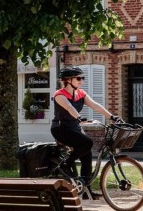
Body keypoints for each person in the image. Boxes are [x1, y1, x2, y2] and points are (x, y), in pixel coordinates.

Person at [51, 66, 118, 195]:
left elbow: (95, 106)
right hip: (61, 129)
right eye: (79, 78)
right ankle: (66, 163)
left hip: (74, 128)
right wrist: (79, 117)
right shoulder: (59, 94)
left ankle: (86, 191)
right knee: (88, 143)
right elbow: (69, 107)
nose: (82, 81)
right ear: (68, 80)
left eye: (83, 78)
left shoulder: (81, 93)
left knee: (87, 157)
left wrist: (111, 117)